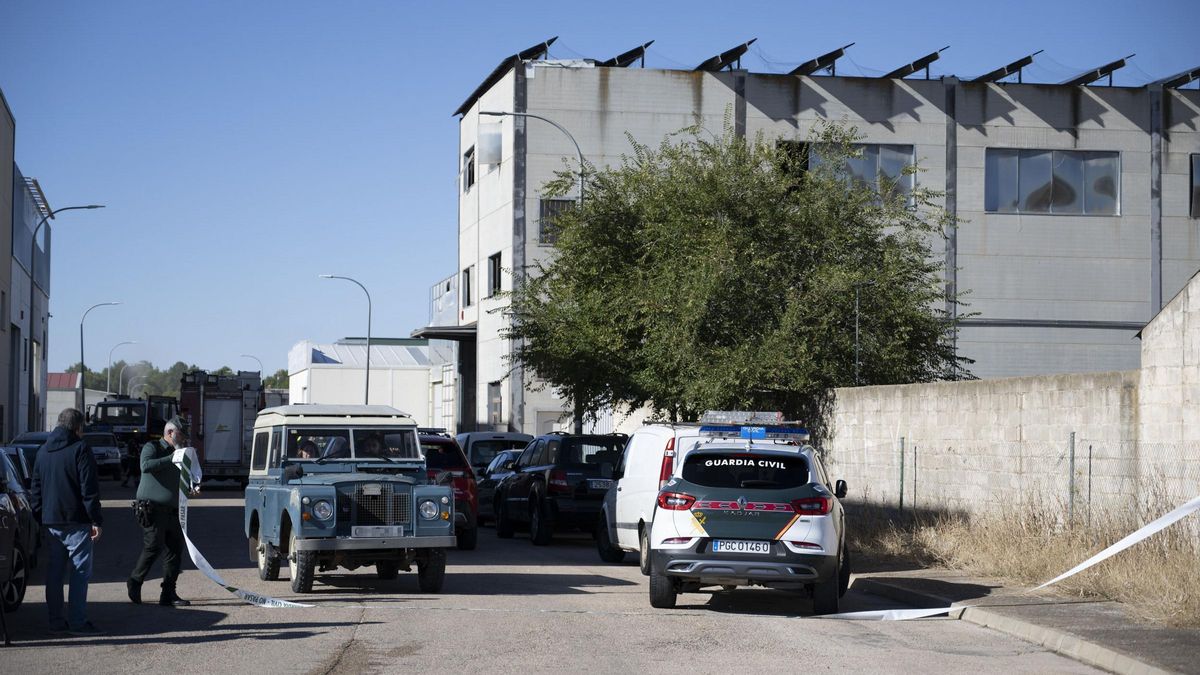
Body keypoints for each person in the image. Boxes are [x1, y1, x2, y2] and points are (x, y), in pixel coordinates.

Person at [29, 408, 104, 636]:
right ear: (78, 427)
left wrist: (39, 517)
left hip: (51, 521)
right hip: (77, 520)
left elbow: (36, 488)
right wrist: (96, 520)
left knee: (55, 572)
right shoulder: (80, 449)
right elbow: (88, 488)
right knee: (80, 572)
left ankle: (56, 621)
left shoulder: (43, 451)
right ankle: (78, 622)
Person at [127, 416, 193, 607]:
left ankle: (169, 593)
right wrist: (170, 458)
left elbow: (181, 478)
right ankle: (135, 580)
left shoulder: (180, 453)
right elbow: (145, 466)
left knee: (175, 550)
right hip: (151, 508)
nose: (184, 439)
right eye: (181, 434)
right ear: (170, 432)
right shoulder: (153, 447)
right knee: (154, 546)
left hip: (173, 510)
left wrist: (190, 486)